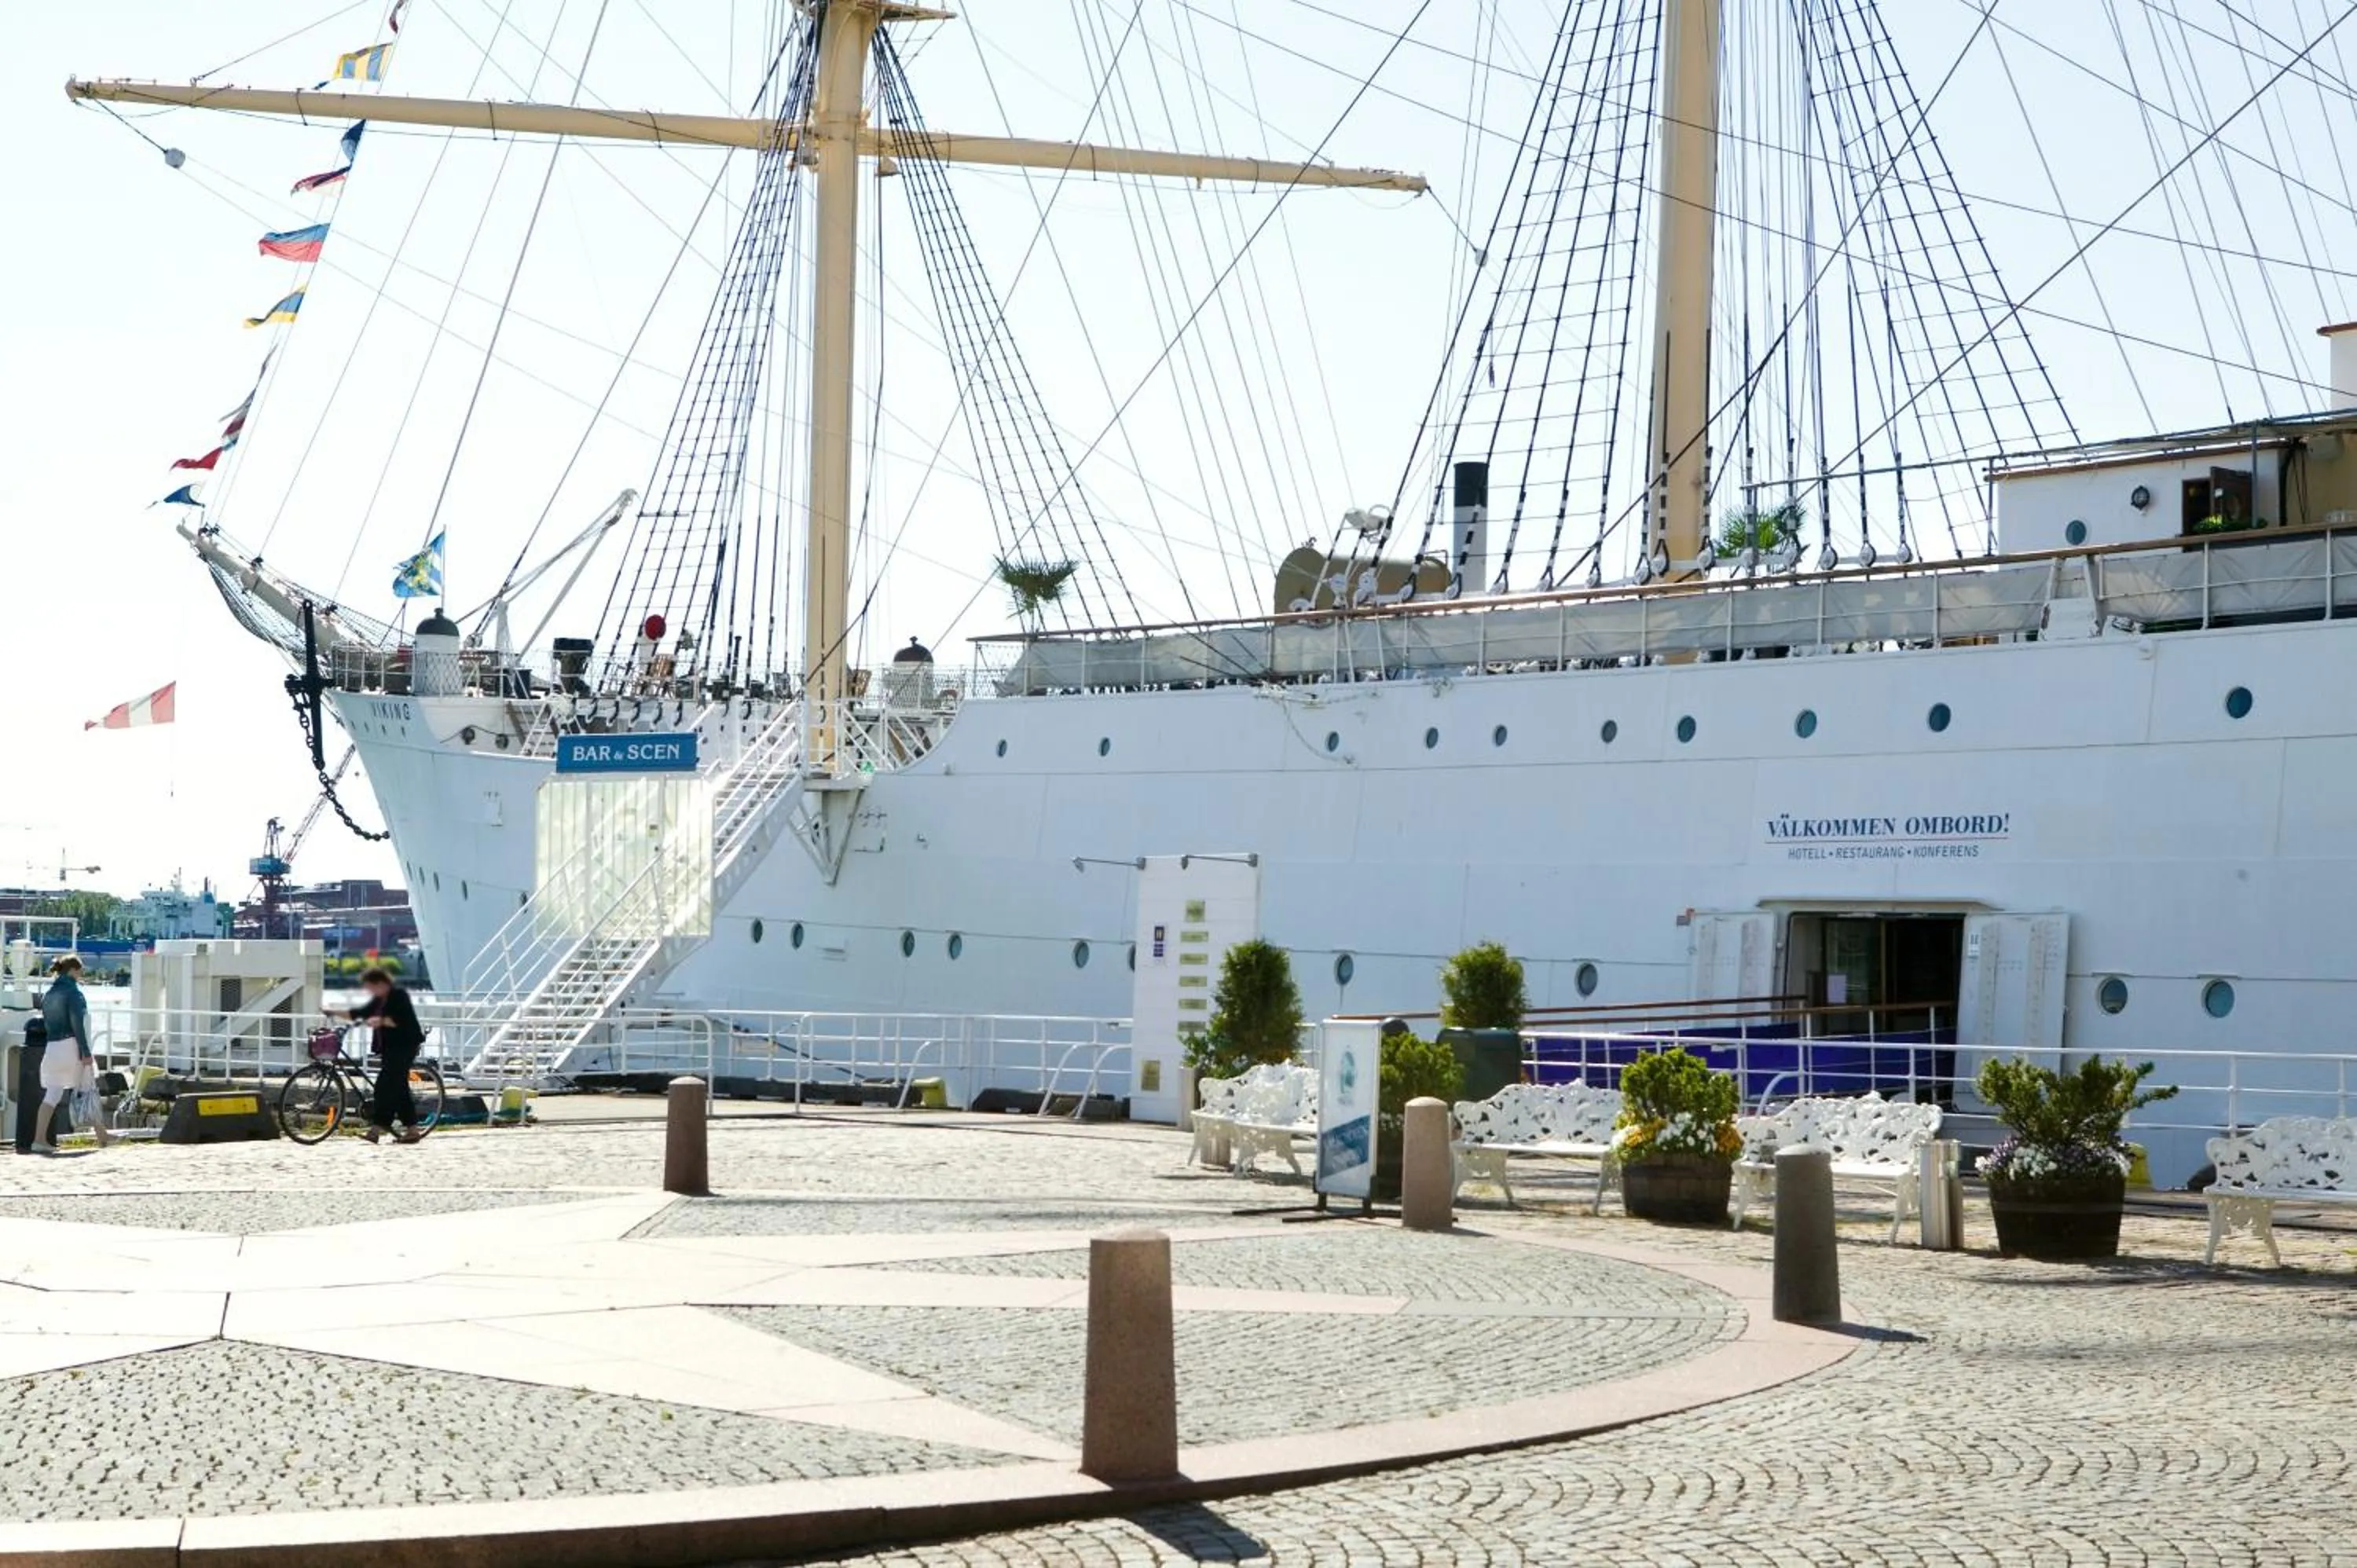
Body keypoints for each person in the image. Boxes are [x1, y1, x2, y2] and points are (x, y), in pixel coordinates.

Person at [331, 966, 427, 1144]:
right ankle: (411, 1130)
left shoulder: (399, 996)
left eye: (370, 986)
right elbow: (359, 1013)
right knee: (398, 1088)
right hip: (390, 1048)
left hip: (405, 1045)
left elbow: (400, 1020)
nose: (369, 990)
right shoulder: (379, 999)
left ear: (381, 983)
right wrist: (333, 1012)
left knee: (384, 1087)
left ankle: (376, 1130)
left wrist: (381, 1021)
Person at [34, 956, 109, 1155]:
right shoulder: (74, 993)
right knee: (88, 1088)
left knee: (52, 1095)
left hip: (52, 1047)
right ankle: (102, 1136)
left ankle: (39, 1140)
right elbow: (78, 1024)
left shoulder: (49, 994)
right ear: (73, 970)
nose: (82, 974)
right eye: (80, 970)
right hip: (71, 1046)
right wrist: (85, 1051)